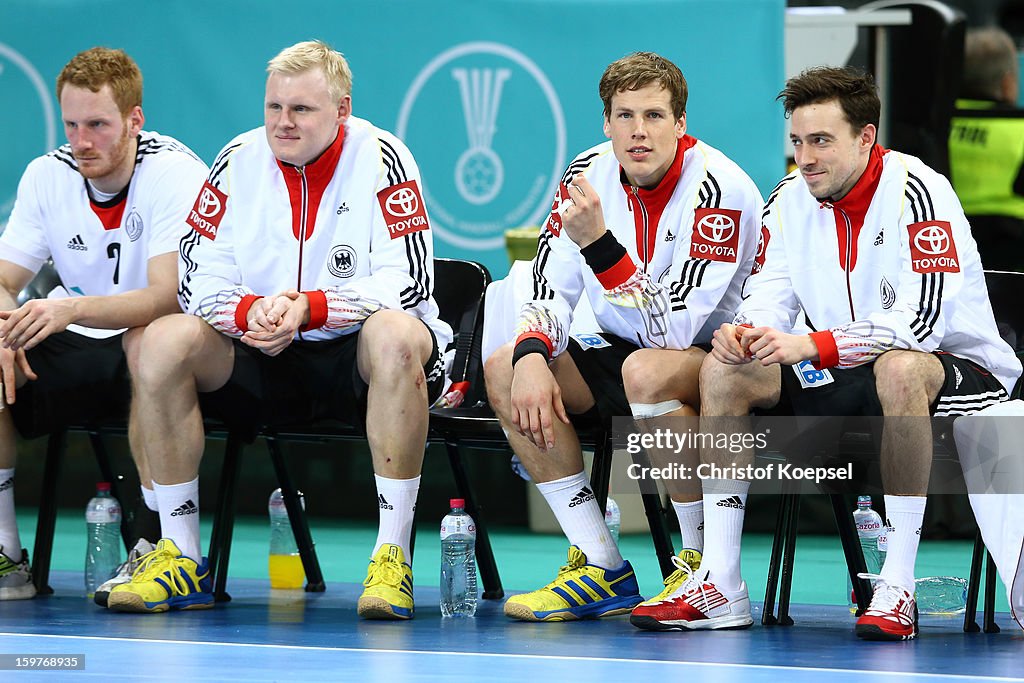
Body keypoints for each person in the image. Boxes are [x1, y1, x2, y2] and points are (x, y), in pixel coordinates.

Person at [106, 40, 451, 618]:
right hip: (256, 351)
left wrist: (311, 308)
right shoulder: (235, 158)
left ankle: (392, 557)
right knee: (163, 339)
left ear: (341, 110)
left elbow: (411, 280)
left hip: (353, 358)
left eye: (302, 110)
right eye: (274, 108)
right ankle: (180, 553)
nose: (283, 123)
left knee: (395, 334)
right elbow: (197, 279)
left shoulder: (384, 157)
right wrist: (248, 313)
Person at [685, 66, 1022, 640]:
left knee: (897, 369)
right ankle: (721, 582)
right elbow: (770, 291)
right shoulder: (787, 199)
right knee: (726, 371)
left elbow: (921, 324)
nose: (805, 157)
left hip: (960, 372)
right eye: (797, 142)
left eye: (821, 141)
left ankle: (897, 586)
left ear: (866, 137)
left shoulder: (921, 191)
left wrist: (811, 344)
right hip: (844, 371)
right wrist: (746, 333)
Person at [484, 52, 763, 622]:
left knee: (648, 370)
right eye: (625, 116)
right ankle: (601, 563)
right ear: (606, 123)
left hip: (718, 362)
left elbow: (674, 328)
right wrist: (533, 354)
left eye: (656, 116)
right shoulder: (584, 176)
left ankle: (697, 563)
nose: (640, 131)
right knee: (502, 367)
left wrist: (600, 245)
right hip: (619, 346)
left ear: (681, 124)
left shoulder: (720, 189)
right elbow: (547, 287)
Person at [0, 47, 207, 602]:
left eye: (97, 124)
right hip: (80, 340)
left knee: (148, 342)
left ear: (135, 120)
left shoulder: (174, 172)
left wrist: (70, 308)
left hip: (169, 348)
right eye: (72, 124)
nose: (81, 140)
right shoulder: (47, 175)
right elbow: (3, 277)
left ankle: (155, 543)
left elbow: (166, 297)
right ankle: (6, 557)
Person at [948, 26, 1024, 271]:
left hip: (949, 242)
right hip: (1013, 247)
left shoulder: (934, 124)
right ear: (1007, 82)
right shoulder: (1018, 126)